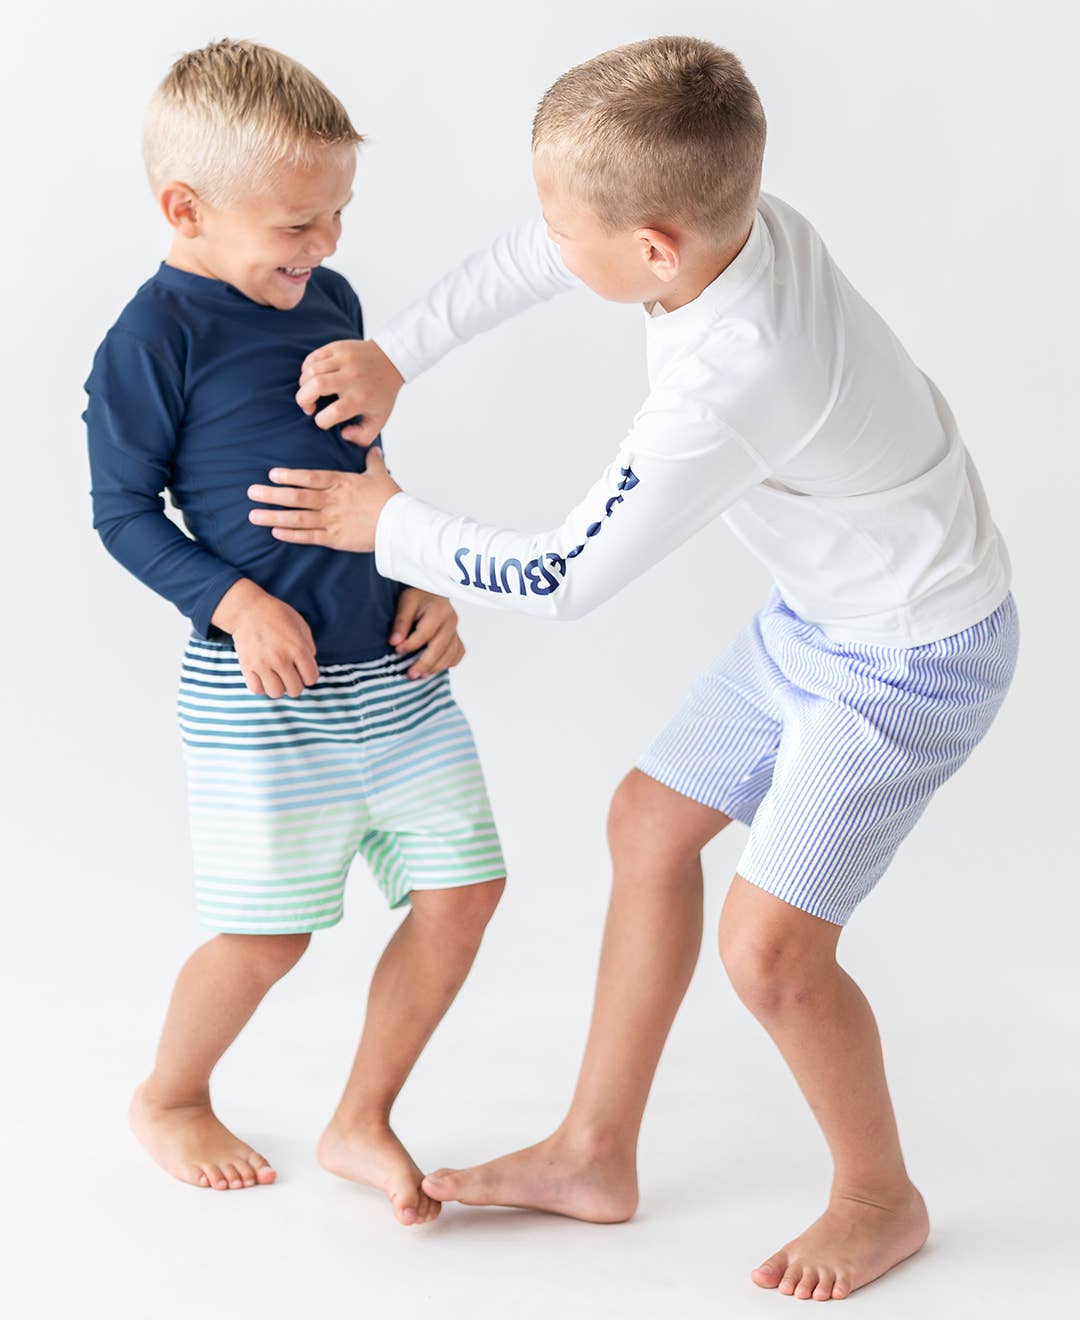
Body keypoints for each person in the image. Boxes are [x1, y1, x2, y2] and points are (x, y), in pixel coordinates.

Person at [249, 36, 1018, 1299]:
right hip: (825, 614)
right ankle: (596, 1153)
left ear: (655, 249)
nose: (550, 243)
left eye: (571, 229)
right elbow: (537, 250)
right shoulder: (738, 219)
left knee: (770, 953)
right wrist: (400, 351)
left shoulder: (733, 378)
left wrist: (387, 523)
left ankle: (882, 1196)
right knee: (648, 822)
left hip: (914, 655)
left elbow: (565, 576)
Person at [84, 39, 506, 1225]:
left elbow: (364, 464)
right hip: (263, 691)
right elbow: (122, 512)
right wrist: (238, 603)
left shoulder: (331, 302)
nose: (325, 245)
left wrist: (423, 568)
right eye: (296, 225)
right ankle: (172, 1096)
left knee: (465, 890)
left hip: (394, 672)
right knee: (269, 937)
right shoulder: (151, 341)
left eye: (337, 215)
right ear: (186, 209)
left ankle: (361, 1116)